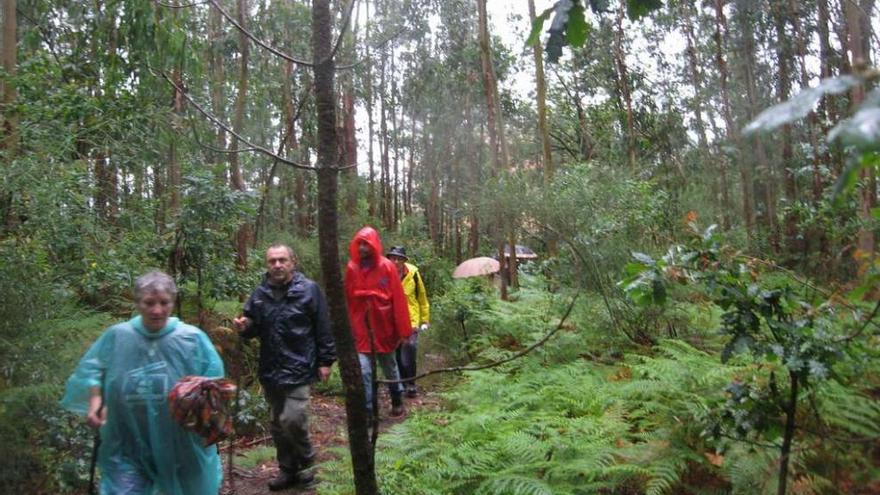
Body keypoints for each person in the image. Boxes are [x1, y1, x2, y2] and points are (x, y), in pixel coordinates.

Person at [61, 270, 225, 495]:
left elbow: (215, 379)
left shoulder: (191, 338)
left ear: (173, 301)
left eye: (164, 302)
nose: (157, 310)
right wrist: (96, 400)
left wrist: (200, 404)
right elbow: (94, 367)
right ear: (137, 302)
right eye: (149, 302)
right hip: (126, 438)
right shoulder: (118, 336)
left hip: (180, 440)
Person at [233, 244, 336, 492]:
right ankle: (287, 469)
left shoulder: (309, 290)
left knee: (293, 418)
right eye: (272, 261)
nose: (277, 265)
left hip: (300, 365)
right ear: (267, 265)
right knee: (278, 424)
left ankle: (308, 462)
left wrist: (326, 360)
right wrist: (244, 326)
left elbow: (323, 326)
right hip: (271, 368)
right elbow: (252, 326)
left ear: (293, 262)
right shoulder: (260, 294)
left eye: (282, 260)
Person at [344, 226, 412, 418]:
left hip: (384, 329)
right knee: (364, 372)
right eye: (360, 244)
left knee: (390, 367)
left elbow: (398, 300)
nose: (363, 248)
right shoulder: (352, 268)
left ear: (374, 244)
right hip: (361, 329)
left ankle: (397, 399)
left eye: (366, 244)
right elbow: (347, 301)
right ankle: (368, 410)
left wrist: (403, 331)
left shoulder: (387, 266)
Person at [387, 246, 430, 398]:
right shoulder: (384, 274)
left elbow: (422, 298)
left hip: (411, 318)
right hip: (392, 320)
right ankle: (402, 384)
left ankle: (411, 383)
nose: (396, 261)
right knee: (397, 353)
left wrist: (425, 319)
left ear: (404, 260)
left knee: (409, 348)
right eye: (393, 258)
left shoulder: (413, 274)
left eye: (399, 258)